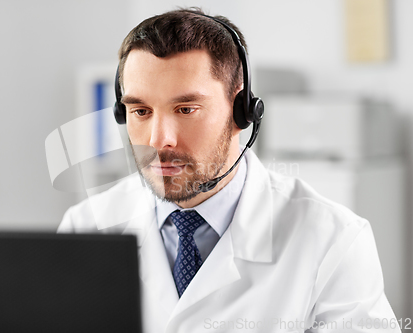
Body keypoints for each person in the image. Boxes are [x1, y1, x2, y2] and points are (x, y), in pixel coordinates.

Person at [58, 8, 400, 333]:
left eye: (186, 109)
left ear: (241, 113)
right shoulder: (86, 227)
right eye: (141, 112)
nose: (159, 141)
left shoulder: (333, 240)